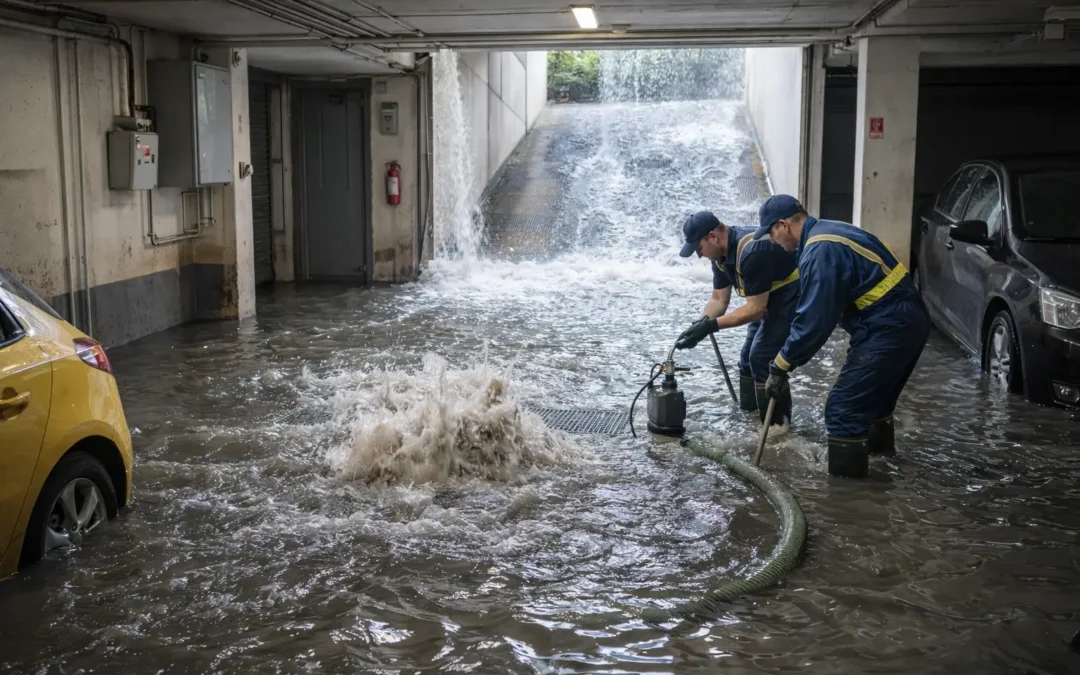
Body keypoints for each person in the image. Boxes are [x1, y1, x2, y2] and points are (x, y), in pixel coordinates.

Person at [752, 194, 930, 478]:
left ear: (783, 225)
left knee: (843, 410)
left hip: (888, 327)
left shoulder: (819, 250)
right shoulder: (830, 230)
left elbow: (814, 322)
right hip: (908, 322)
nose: (773, 241)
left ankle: (850, 501)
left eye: (771, 233)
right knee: (873, 405)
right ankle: (882, 475)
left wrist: (780, 365)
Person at [674, 211, 800, 428]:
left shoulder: (752, 251)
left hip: (792, 293)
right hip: (765, 296)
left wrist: (710, 326)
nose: (699, 255)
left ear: (713, 236)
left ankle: (777, 430)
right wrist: (699, 325)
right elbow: (718, 300)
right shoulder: (720, 257)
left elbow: (756, 310)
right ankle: (751, 419)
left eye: (699, 248)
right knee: (746, 360)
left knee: (762, 358)